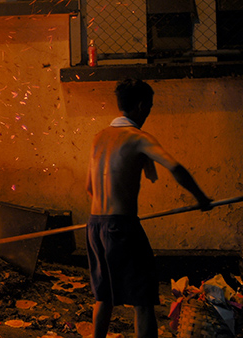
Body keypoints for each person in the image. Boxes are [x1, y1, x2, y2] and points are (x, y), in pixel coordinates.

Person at [85, 78, 212, 338]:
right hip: (122, 226)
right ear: (141, 106)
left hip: (94, 225)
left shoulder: (99, 137)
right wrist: (201, 198)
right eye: (150, 107)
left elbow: (89, 187)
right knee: (142, 300)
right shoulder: (137, 137)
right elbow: (174, 166)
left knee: (104, 297)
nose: (150, 112)